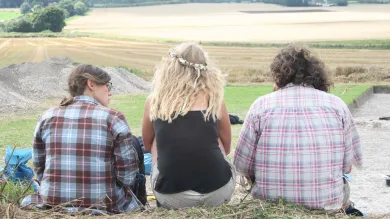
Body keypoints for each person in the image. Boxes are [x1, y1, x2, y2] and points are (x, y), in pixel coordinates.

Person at [234, 44, 364, 216]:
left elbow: (241, 165)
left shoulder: (261, 105)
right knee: (345, 193)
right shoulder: (336, 105)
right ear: (317, 76)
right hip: (326, 207)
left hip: (269, 207)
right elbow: (347, 167)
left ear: (278, 75)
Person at [21, 64, 142, 214]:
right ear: (91, 84)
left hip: (53, 202)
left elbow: (40, 169)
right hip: (105, 205)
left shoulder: (47, 116)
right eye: (107, 85)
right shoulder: (113, 118)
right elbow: (127, 176)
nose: (109, 92)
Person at [142, 42, 235, 209]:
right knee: (215, 138)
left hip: (171, 196)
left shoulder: (154, 101)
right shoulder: (215, 100)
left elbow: (148, 145)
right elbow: (226, 148)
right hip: (218, 192)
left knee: (156, 139)